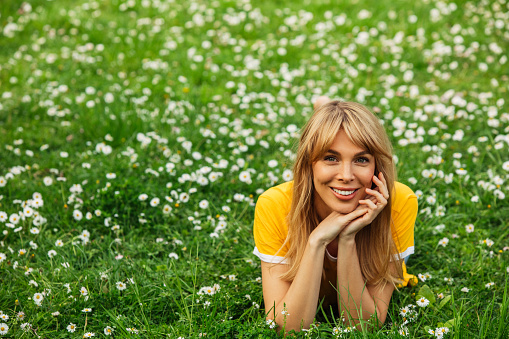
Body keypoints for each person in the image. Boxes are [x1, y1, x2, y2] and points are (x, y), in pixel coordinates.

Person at [252, 97, 418, 332]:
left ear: (377, 167)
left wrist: (347, 238)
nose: (346, 175)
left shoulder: (399, 202)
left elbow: (364, 328)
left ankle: (327, 113)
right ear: (309, 163)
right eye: (330, 158)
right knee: (330, 124)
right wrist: (316, 241)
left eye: (361, 159)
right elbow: (288, 329)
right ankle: (325, 111)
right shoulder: (274, 205)